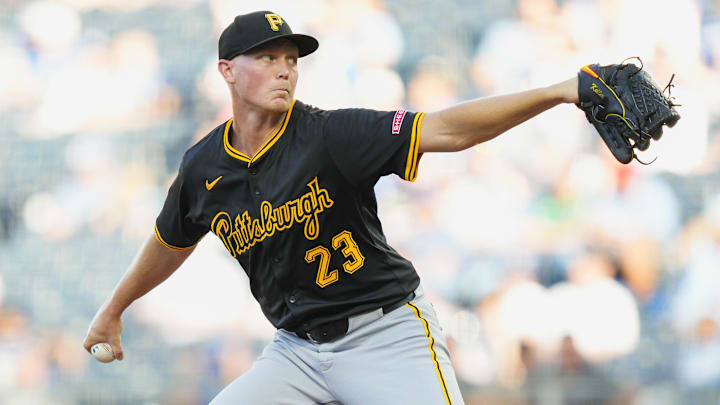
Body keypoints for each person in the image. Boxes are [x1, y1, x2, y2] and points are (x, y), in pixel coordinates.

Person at [83, 10, 579, 404]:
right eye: (268, 58)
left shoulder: (331, 135)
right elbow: (171, 242)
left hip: (384, 335)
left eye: (291, 59)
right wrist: (113, 309)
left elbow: (446, 128)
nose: (285, 69)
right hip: (296, 352)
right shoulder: (203, 167)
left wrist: (558, 91)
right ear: (227, 71)